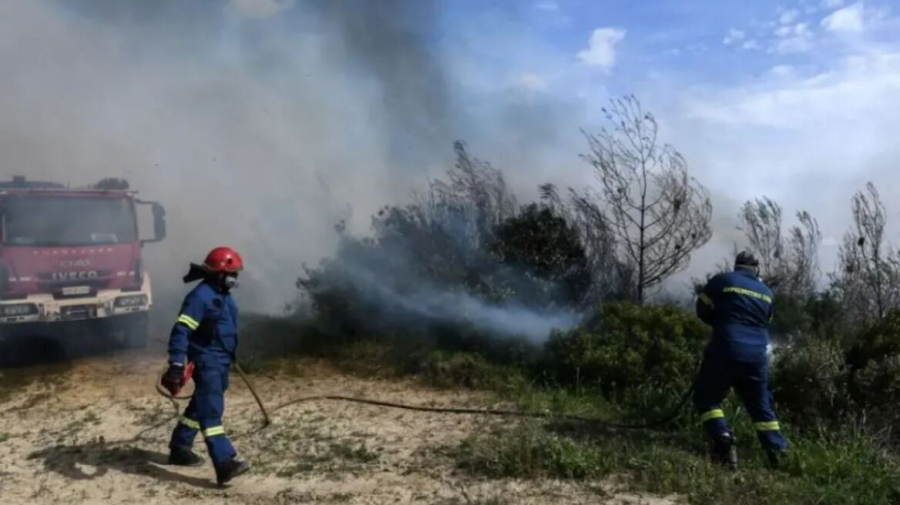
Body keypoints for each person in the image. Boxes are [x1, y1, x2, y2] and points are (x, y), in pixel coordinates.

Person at [160, 246, 250, 485]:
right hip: (206, 361)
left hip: (220, 360)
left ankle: (180, 448)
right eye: (231, 273)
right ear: (217, 273)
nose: (234, 278)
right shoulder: (200, 297)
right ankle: (224, 463)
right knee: (211, 411)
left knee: (201, 405)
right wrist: (177, 363)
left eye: (235, 274)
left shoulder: (222, 295)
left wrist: (230, 353)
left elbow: (223, 328)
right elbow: (181, 330)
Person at [693, 250, 788, 470]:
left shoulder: (722, 280)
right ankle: (779, 454)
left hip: (725, 347)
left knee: (706, 398)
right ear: (756, 269)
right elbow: (766, 321)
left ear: (736, 267)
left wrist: (721, 322)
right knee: (761, 406)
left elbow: (702, 309)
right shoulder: (767, 292)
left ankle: (722, 438)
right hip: (756, 356)